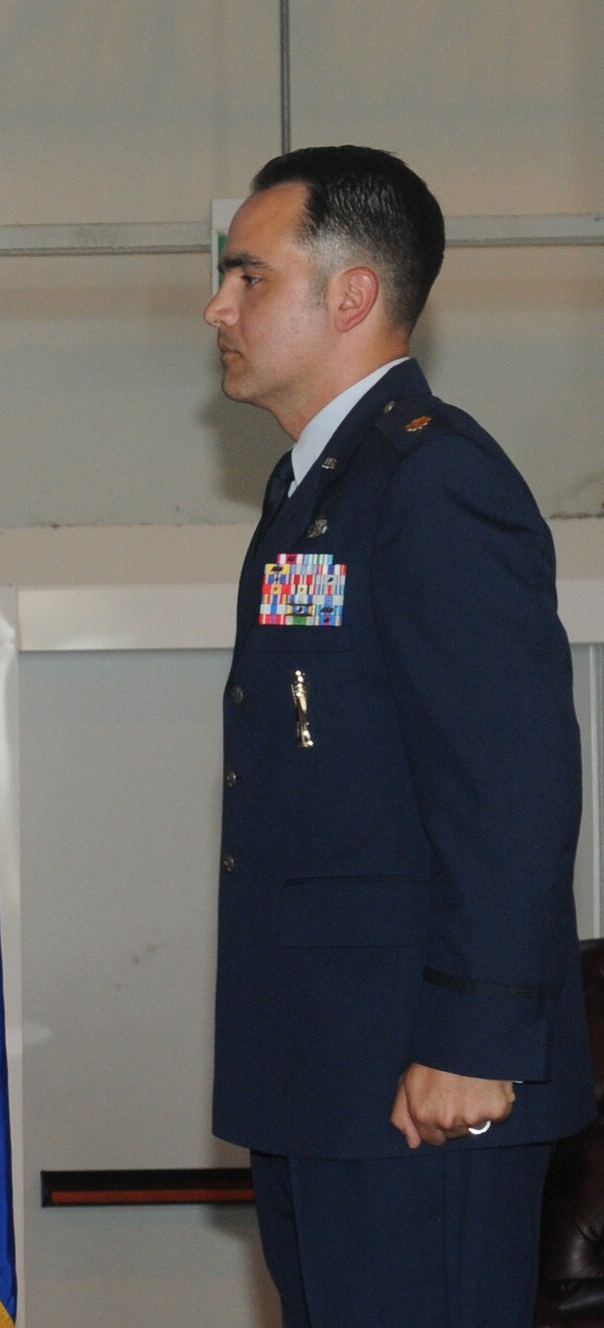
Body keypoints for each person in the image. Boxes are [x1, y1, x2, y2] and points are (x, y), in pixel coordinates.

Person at [206, 145, 592, 1327]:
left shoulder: (432, 481)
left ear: (350, 295)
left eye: (246, 277)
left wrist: (473, 1036)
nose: (215, 307)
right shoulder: (310, 491)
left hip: (420, 1081)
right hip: (324, 1075)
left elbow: (508, 782)